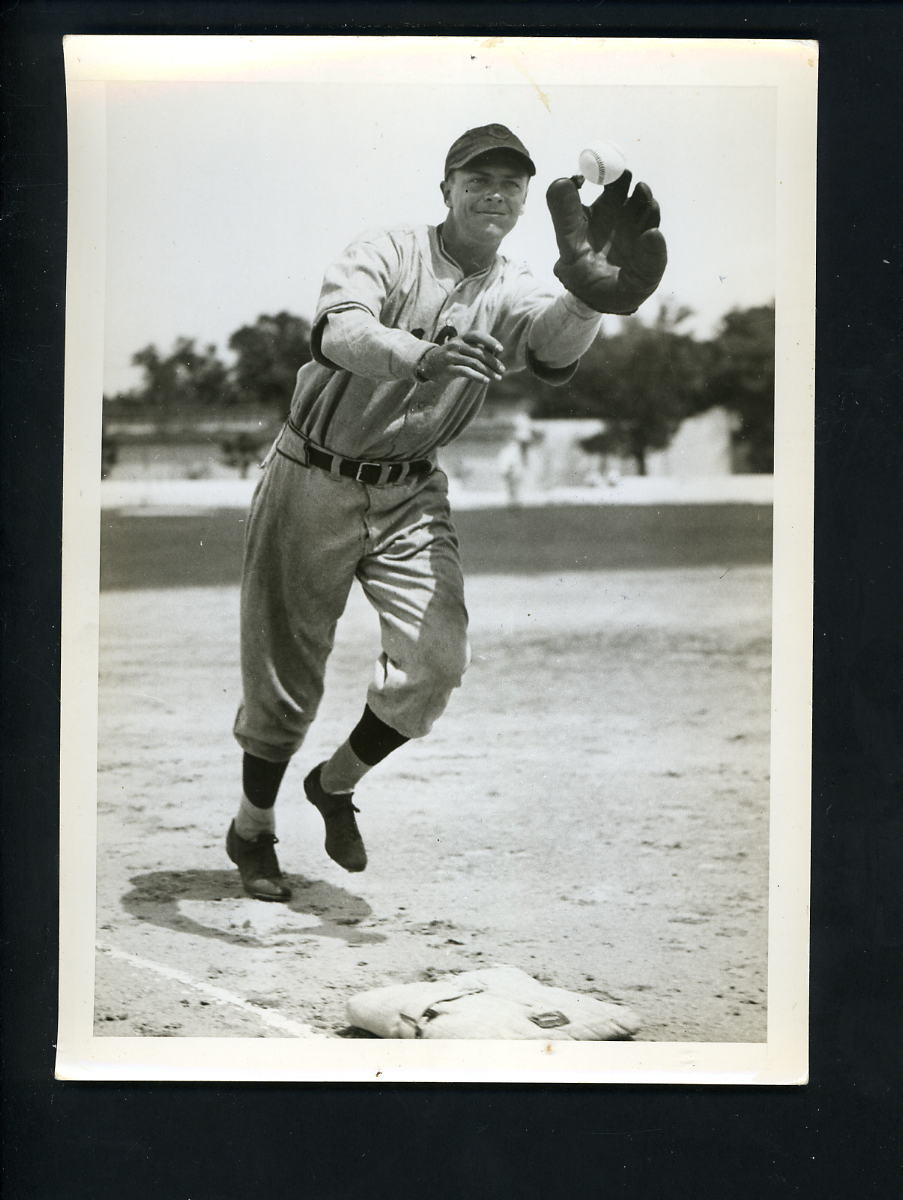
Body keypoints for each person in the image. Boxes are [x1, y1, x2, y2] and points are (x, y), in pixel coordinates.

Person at [226, 123, 666, 900]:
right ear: (446, 188)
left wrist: (588, 297)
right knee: (286, 674)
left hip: (410, 491)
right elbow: (337, 330)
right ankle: (253, 827)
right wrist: (419, 355)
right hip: (313, 476)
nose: (493, 191)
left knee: (436, 662)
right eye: (477, 178)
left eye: (510, 182)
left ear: (527, 200)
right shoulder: (390, 250)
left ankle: (334, 785)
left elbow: (552, 348)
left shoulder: (516, 283)